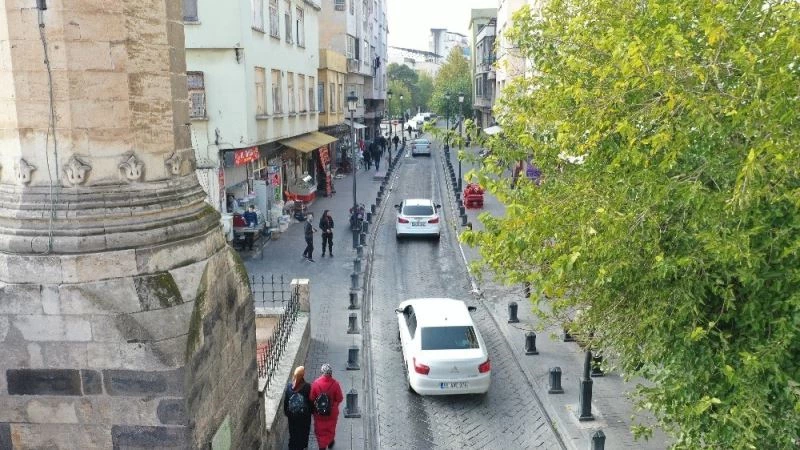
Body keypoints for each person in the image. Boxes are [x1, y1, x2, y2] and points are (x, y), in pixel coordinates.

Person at [310, 364, 344, 450]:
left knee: (320, 430)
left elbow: (311, 398)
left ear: (321, 372)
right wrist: (334, 406)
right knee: (331, 428)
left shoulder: (315, 384)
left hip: (319, 413)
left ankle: (322, 447)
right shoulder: (335, 384)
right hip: (331, 413)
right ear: (331, 373)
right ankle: (330, 441)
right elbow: (340, 398)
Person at [284, 366, 313, 450]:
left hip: (292, 415)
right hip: (304, 416)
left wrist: (287, 412)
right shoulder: (307, 386)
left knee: (293, 432)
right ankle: (303, 446)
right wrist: (310, 411)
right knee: (304, 431)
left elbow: (286, 402)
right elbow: (310, 401)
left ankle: (292, 446)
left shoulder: (289, 386)